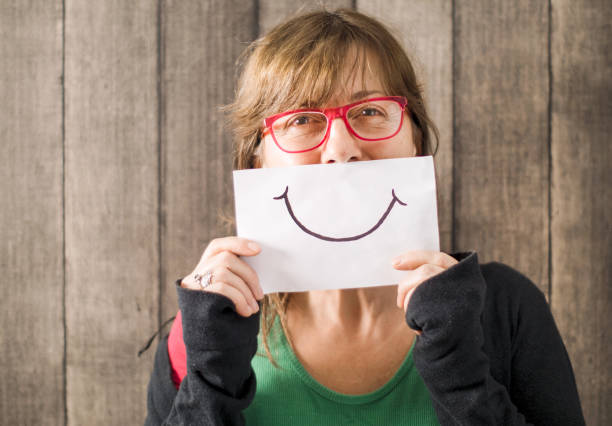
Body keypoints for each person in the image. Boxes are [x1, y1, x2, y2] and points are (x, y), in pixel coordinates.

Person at [145, 9, 584, 426]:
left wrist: (459, 369)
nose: (340, 149)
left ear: (415, 138)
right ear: (258, 160)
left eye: (370, 111)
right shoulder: (207, 327)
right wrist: (210, 376)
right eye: (301, 118)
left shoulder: (505, 306)